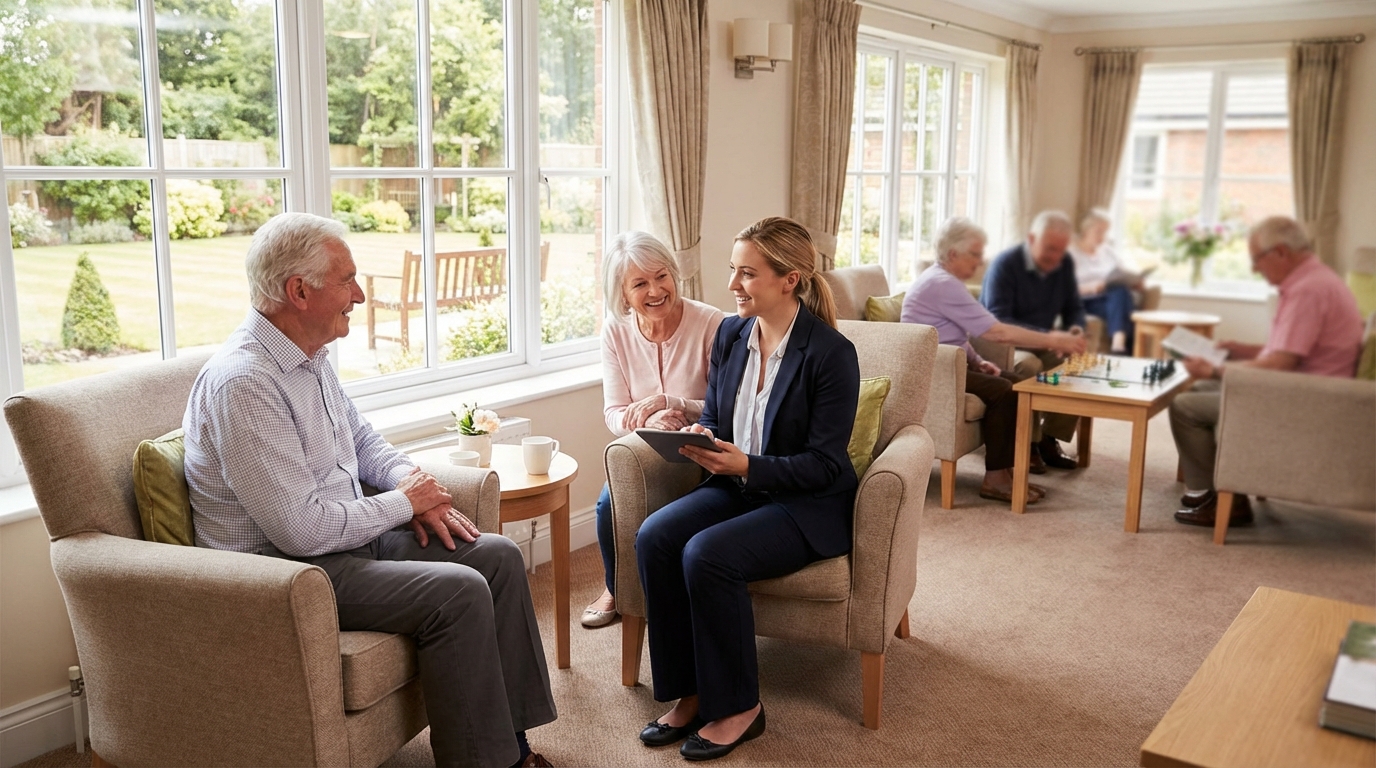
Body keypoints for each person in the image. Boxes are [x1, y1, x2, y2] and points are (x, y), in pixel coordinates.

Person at [182, 213, 556, 768]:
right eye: (347, 280)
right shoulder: (245, 383)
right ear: (299, 291)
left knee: (497, 555)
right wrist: (406, 504)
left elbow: (360, 440)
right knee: (458, 591)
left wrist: (414, 483)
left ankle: (512, 745)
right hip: (288, 574)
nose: (359, 294)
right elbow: (302, 530)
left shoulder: (308, 356)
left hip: (348, 543)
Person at [634, 217, 859, 761]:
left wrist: (749, 468)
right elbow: (717, 415)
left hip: (806, 505)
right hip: (737, 484)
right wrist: (702, 436)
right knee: (655, 536)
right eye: (733, 270)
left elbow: (825, 466)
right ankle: (689, 692)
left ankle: (740, 707)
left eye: (747, 273)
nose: (733, 284)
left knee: (708, 553)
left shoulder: (831, 354)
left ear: (791, 278)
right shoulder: (732, 335)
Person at [1169, 216, 1364, 528]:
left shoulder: (1308, 291)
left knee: (1184, 408)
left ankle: (1226, 501)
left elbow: (1280, 364)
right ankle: (1215, 492)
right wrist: (1237, 349)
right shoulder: (1315, 280)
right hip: (1301, 387)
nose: (1254, 269)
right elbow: (1285, 351)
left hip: (1303, 400)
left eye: (1257, 259)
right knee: (1196, 392)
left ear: (1282, 252)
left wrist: (1217, 369)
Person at [583, 231, 725, 629]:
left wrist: (672, 402)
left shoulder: (712, 323)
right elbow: (614, 412)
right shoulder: (615, 331)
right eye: (640, 283)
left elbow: (723, 406)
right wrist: (647, 420)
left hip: (703, 443)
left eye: (661, 276)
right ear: (623, 294)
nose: (656, 290)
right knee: (607, 504)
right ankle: (616, 587)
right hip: (646, 447)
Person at [902, 217, 1086, 503]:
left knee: (1016, 382)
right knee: (1006, 391)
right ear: (953, 255)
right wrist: (1056, 340)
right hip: (936, 371)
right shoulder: (941, 283)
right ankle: (996, 479)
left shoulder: (945, 280)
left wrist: (977, 361)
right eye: (974, 254)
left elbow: (954, 334)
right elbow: (995, 331)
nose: (979, 262)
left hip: (951, 363)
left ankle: (1010, 472)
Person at [981, 209, 1087, 473]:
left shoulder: (1064, 265)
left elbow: (1074, 307)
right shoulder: (1005, 265)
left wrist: (1075, 330)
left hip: (1043, 341)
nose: (1055, 257)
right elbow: (999, 322)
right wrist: (1050, 338)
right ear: (1031, 238)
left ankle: (1049, 439)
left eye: (1061, 251)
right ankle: (1027, 444)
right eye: (1050, 249)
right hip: (1003, 346)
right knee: (1028, 367)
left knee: (1076, 364)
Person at [1069, 208, 1143, 354]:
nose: (1103, 236)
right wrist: (1091, 287)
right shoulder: (1071, 254)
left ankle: (1118, 345)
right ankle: (1123, 349)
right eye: (1099, 231)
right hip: (1085, 300)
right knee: (1125, 303)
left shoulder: (1108, 252)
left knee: (1120, 291)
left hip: (1107, 300)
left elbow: (1121, 273)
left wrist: (1134, 282)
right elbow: (1064, 289)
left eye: (1105, 231)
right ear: (1085, 229)